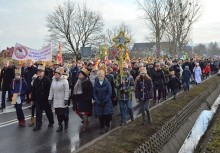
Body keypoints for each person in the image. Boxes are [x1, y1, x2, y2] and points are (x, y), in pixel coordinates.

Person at [31, 65, 54, 131]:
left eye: (41, 71)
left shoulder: (47, 80)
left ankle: (51, 122)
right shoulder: (35, 80)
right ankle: (38, 125)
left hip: (45, 99)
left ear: (43, 72)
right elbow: (33, 90)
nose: (39, 73)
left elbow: (50, 90)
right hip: (38, 99)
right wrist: (32, 99)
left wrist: (50, 98)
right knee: (38, 113)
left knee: (48, 112)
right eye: (38, 71)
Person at [48, 67, 70, 132]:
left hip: (62, 100)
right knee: (58, 114)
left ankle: (66, 121)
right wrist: (50, 98)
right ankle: (60, 125)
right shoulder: (53, 80)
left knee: (63, 114)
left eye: (57, 73)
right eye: (55, 73)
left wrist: (66, 99)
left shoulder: (65, 81)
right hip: (56, 100)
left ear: (60, 74)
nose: (55, 75)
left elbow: (67, 91)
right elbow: (51, 90)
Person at [72, 68, 93, 133]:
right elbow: (74, 90)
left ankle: (84, 126)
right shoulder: (77, 81)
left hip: (85, 100)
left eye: (80, 74)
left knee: (84, 113)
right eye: (79, 74)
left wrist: (88, 99)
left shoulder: (88, 82)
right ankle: (86, 121)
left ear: (84, 75)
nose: (79, 75)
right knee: (78, 112)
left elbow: (90, 92)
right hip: (78, 100)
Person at [93, 70, 114, 134]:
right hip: (99, 102)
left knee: (107, 115)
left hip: (106, 102)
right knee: (100, 116)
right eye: (99, 76)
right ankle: (102, 127)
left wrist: (105, 101)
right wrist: (97, 101)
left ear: (104, 75)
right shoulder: (96, 83)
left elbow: (109, 92)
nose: (100, 77)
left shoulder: (107, 83)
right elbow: (94, 93)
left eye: (101, 75)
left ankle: (107, 125)